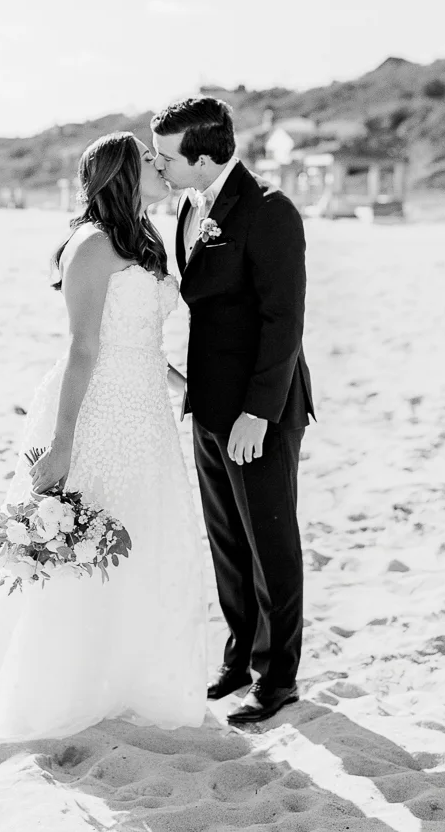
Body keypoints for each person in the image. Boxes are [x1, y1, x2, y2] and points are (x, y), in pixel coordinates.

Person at [0, 133, 207, 739]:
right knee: (84, 547)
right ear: (121, 174)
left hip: (145, 409)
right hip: (96, 411)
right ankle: (59, 682)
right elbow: (85, 347)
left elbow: (137, 338)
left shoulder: (144, 238)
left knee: (145, 534)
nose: (159, 166)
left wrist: (179, 381)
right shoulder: (89, 246)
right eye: (147, 160)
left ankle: (127, 675)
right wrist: (61, 445)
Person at [151, 97, 315, 725]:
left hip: (259, 410)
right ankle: (239, 656)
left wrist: (258, 413)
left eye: (168, 156)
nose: (159, 166)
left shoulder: (269, 212)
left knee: (271, 540)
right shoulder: (190, 207)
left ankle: (278, 679)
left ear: (206, 155)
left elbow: (284, 322)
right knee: (227, 541)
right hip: (208, 403)